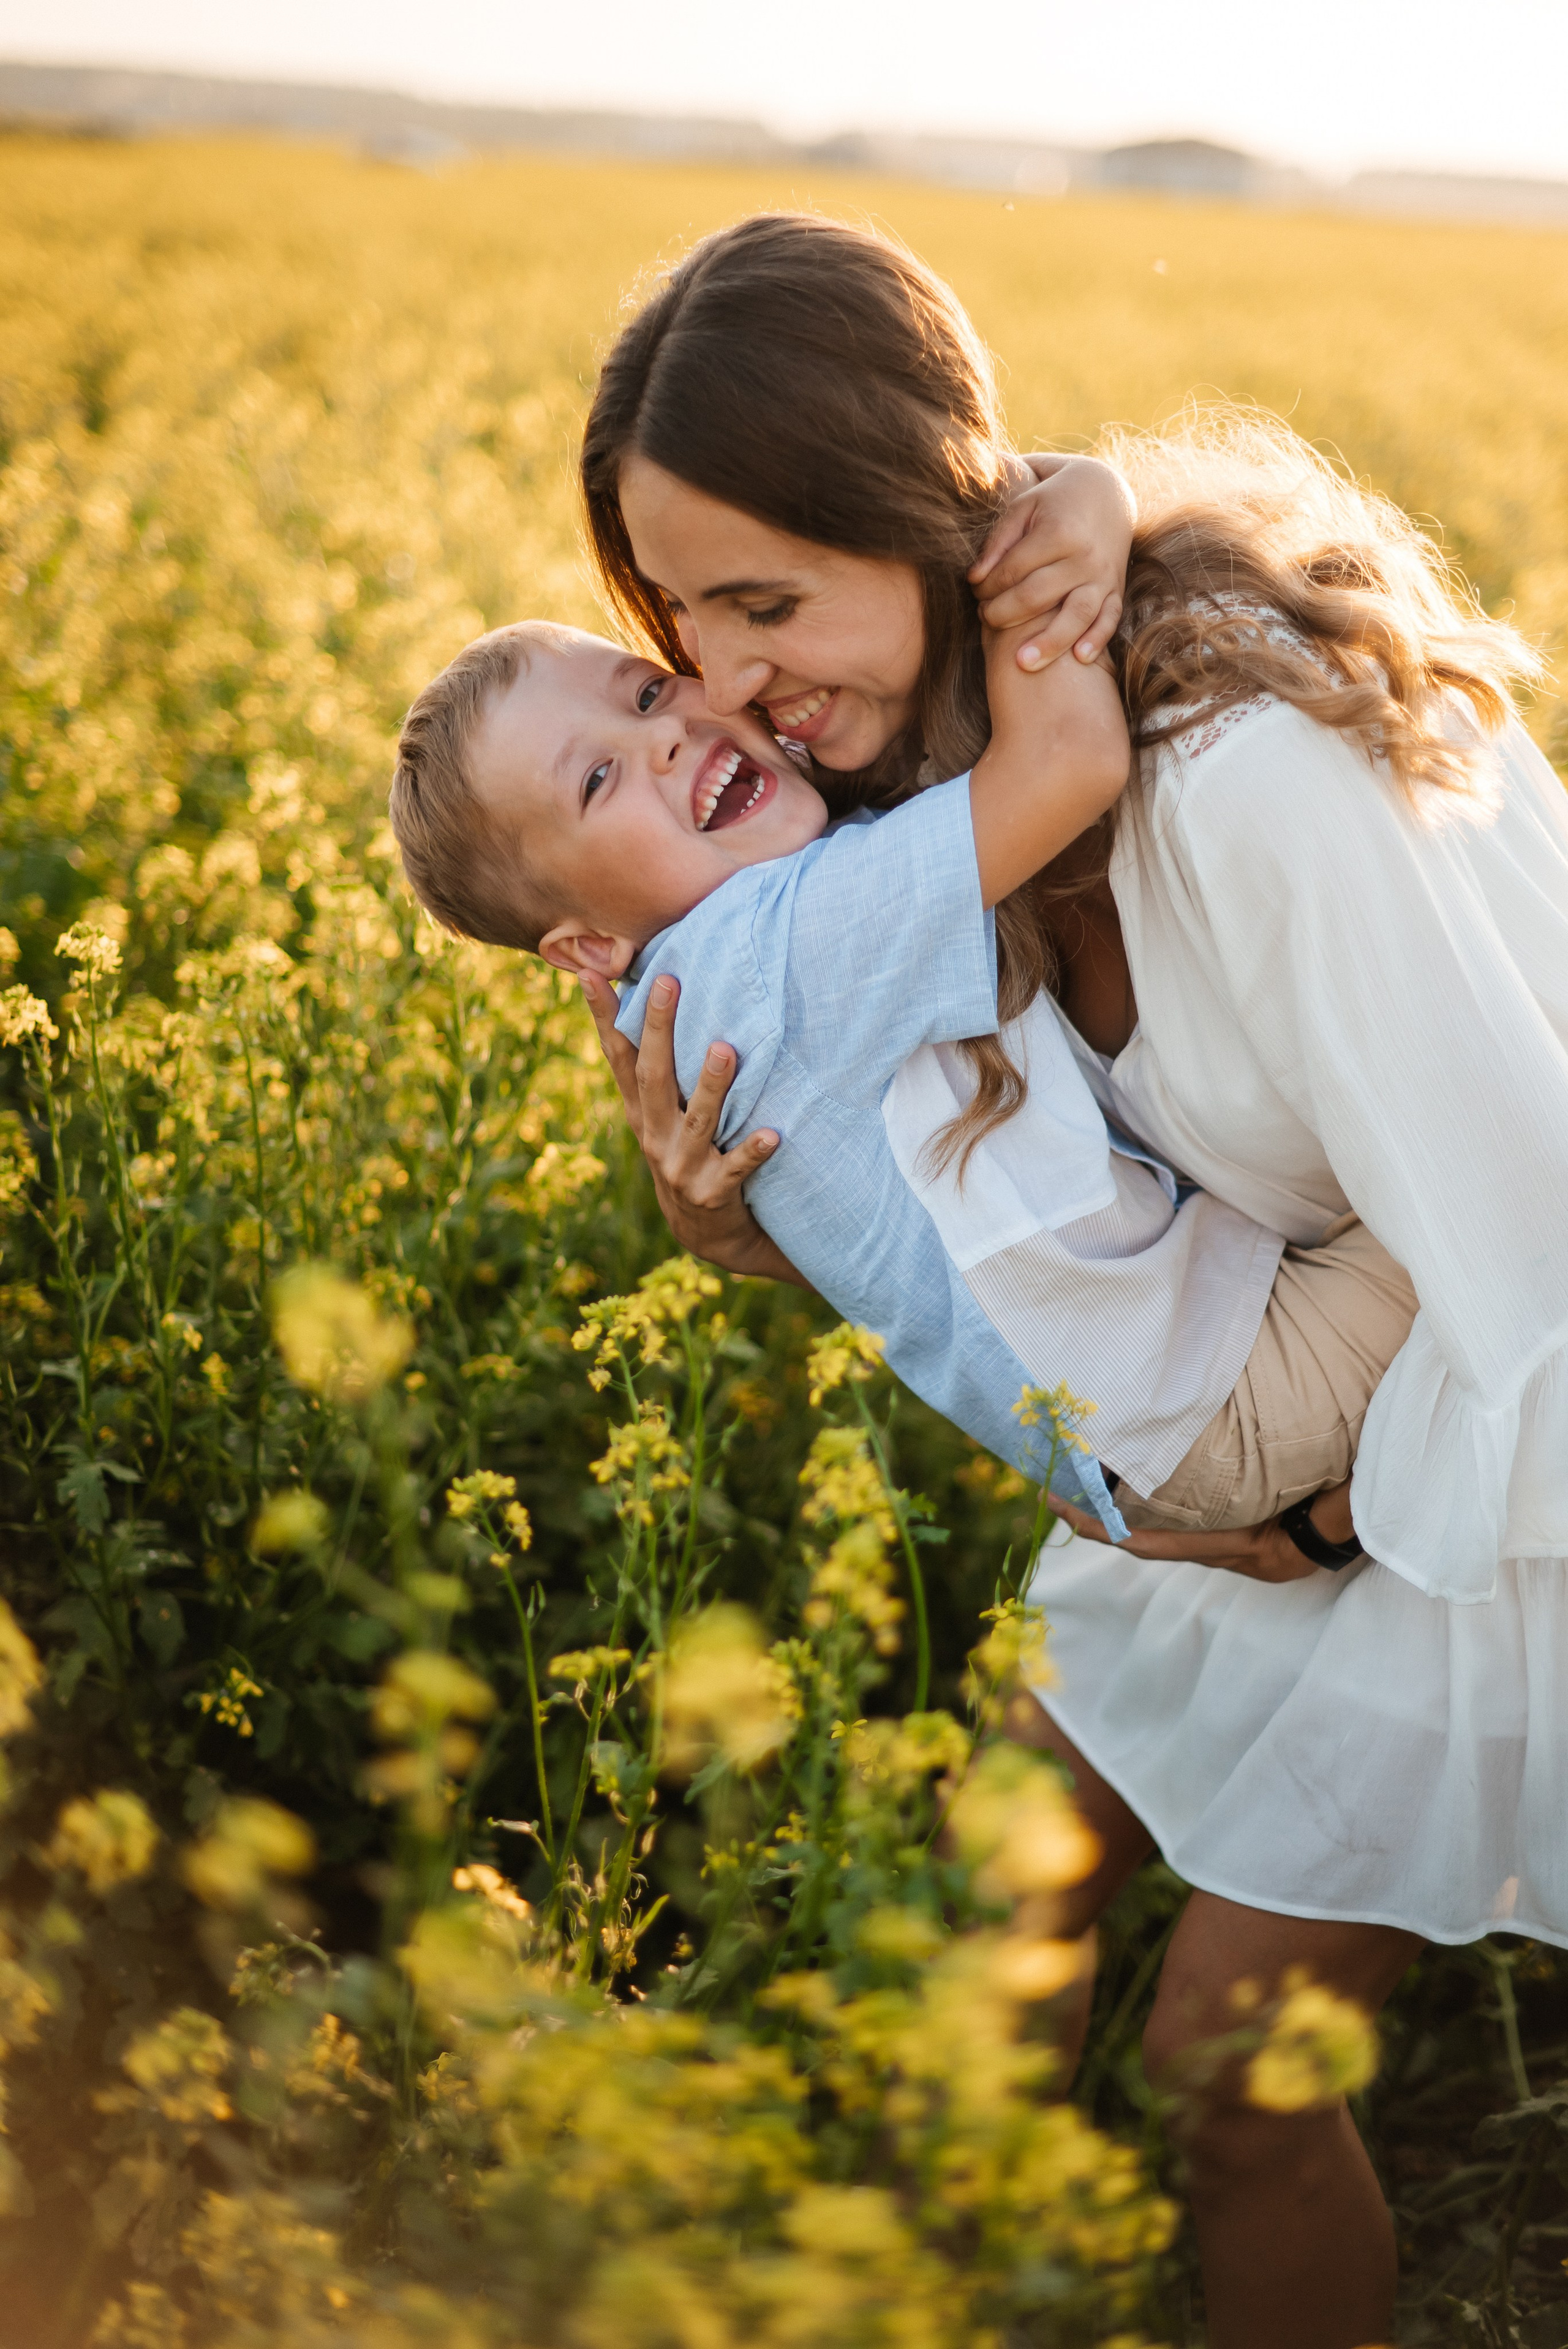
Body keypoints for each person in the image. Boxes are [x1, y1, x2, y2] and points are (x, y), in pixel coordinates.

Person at [573, 209, 1568, 2349]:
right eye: (678, 622)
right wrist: (737, 1210)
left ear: (929, 524)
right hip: (1264, 1407)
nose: (727, 678)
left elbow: (1535, 1254)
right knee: (988, 1914)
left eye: (770, 597)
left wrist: (1293, 1520)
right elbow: (980, 1231)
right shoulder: (899, 801)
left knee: (1226, 2071)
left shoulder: (1248, 783)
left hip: (1499, 1450)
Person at [387, 614, 1417, 1583]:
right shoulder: (778, 955)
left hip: (1143, 1430)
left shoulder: (713, 994)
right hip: (1225, 1388)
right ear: (587, 952)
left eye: (649, 691)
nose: (662, 737)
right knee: (1501, 1200)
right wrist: (1082, 514)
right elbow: (1071, 762)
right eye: (599, 777)